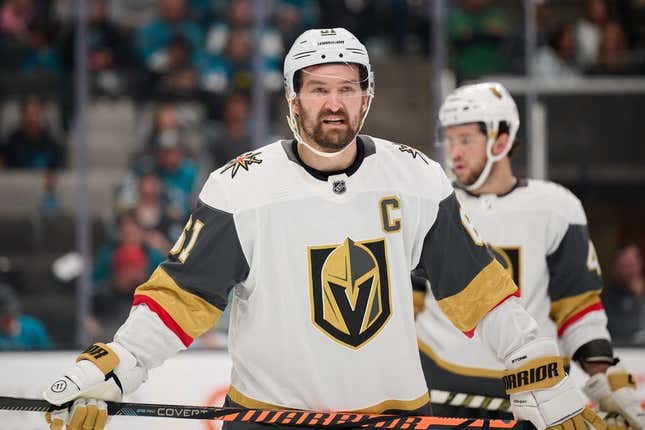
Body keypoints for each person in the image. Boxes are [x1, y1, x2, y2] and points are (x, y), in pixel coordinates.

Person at [43, 29, 603, 430]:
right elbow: (177, 302)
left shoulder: (415, 178)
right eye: (317, 88)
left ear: (366, 97)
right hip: (272, 421)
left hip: (396, 421)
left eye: (347, 88)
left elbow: (477, 288)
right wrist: (114, 369)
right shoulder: (240, 188)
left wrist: (532, 362)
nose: (333, 103)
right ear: (292, 100)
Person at [416, 82, 645, 429]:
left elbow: (577, 307)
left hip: (535, 399)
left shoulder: (556, 208)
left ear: (502, 141)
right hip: (439, 397)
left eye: (465, 139)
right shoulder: (430, 204)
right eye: (448, 140)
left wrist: (603, 374)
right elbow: (407, 305)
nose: (454, 152)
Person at [0, 282, 52, 350]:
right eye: (4, 315)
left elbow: (49, 356)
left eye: (11, 313)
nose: (9, 318)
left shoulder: (33, 328)